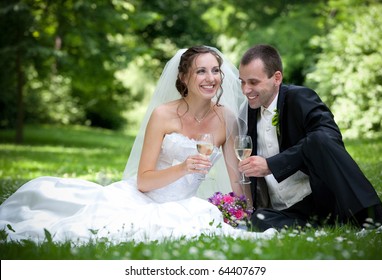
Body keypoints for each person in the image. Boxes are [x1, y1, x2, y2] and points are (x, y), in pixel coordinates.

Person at [0, 46, 275, 244]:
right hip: (143, 197)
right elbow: (143, 181)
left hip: (185, 203)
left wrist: (245, 212)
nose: (210, 78)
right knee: (88, 228)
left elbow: (236, 175)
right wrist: (183, 167)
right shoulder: (163, 115)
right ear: (183, 78)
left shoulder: (226, 117)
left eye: (215, 70)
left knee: (199, 218)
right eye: (200, 71)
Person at [237, 44, 382, 231]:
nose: (245, 90)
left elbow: (328, 136)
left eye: (253, 82)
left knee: (318, 139)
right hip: (288, 210)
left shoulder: (299, 97)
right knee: (258, 220)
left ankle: (372, 219)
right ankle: (327, 226)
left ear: (276, 78)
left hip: (320, 197)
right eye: (242, 82)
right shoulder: (247, 114)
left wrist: (271, 165)